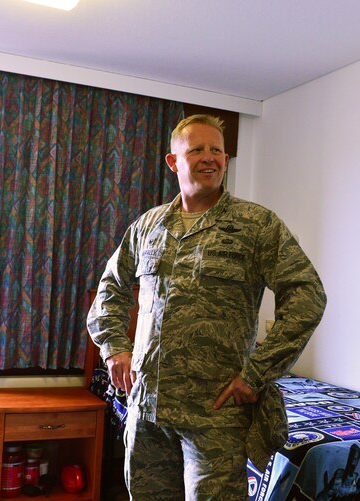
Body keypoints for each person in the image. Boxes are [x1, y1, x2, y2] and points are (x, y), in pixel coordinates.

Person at [87, 114, 326, 500]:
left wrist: (257, 373)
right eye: (197, 149)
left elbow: (307, 295)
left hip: (215, 414)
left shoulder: (256, 225)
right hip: (149, 409)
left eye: (217, 150)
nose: (210, 157)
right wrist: (114, 348)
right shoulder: (148, 225)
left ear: (226, 160)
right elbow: (111, 287)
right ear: (173, 161)